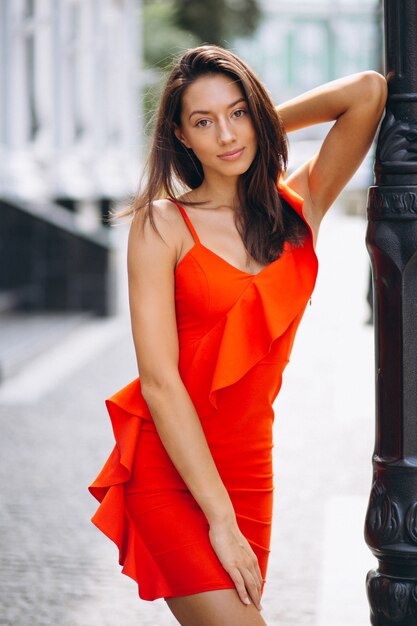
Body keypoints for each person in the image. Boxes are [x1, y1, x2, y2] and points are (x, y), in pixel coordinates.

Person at [89, 44, 387, 626]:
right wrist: (218, 520)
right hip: (170, 471)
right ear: (180, 136)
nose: (226, 135)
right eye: (203, 122)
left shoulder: (296, 211)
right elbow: (159, 382)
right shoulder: (161, 224)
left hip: (249, 468)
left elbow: (367, 93)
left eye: (237, 113)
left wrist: (257, 127)